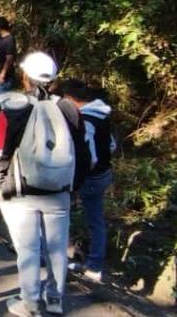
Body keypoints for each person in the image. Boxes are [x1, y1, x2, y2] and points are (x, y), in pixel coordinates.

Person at [0, 52, 88, 317]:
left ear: (25, 76)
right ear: (55, 78)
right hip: (59, 191)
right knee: (57, 248)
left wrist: (0, 180)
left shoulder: (14, 105)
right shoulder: (69, 109)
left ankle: (30, 303)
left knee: (28, 250)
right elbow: (81, 153)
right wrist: (74, 188)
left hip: (20, 190)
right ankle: (55, 299)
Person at [59, 80, 115, 283]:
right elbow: (111, 144)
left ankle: (66, 260)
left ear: (70, 99)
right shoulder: (102, 113)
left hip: (89, 178)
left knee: (63, 213)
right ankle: (94, 266)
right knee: (96, 220)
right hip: (104, 174)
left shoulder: (86, 120)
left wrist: (76, 175)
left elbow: (89, 157)